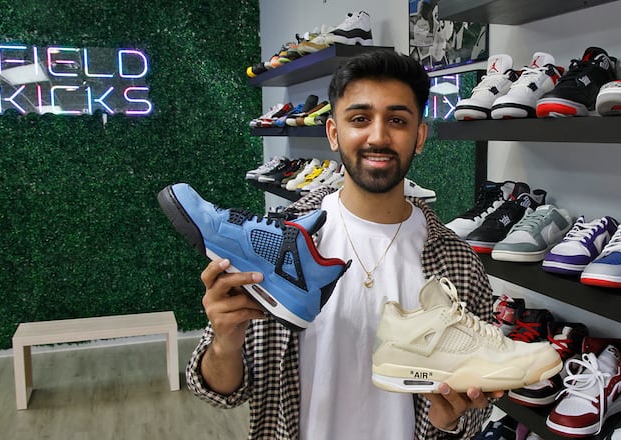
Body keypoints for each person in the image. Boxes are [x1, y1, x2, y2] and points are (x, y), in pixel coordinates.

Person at [185, 50, 502, 439]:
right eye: (360, 119)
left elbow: (473, 412)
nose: (378, 137)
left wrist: (449, 418)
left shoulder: (459, 264)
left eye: (397, 120)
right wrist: (225, 342)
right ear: (334, 133)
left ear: (419, 137)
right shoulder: (275, 243)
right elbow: (219, 392)